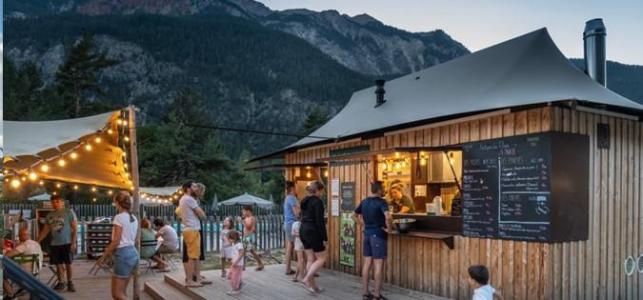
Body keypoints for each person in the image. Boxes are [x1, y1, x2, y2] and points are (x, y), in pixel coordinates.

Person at [353, 181, 393, 300]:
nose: (385, 190)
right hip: (378, 236)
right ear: (379, 190)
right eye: (384, 188)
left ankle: (365, 293)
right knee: (378, 265)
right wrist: (389, 229)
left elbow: (353, 215)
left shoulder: (364, 201)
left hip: (367, 235)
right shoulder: (382, 202)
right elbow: (388, 217)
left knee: (367, 264)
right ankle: (376, 295)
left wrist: (363, 226)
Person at [96, 192, 139, 300]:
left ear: (117, 203)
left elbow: (116, 240)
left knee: (117, 294)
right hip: (133, 253)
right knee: (123, 292)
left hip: (123, 254)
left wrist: (103, 256)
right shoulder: (134, 217)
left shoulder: (119, 217)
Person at [37, 194, 78, 292]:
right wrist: (37, 241)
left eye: (57, 202)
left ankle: (70, 282)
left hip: (67, 242)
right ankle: (61, 282)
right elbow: (45, 230)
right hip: (55, 243)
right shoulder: (49, 215)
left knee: (68, 263)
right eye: (53, 202)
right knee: (58, 264)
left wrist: (73, 243)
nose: (55, 204)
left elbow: (75, 228)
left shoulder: (68, 212)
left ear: (61, 202)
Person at [178, 181, 210, 287]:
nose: (196, 187)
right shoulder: (189, 199)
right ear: (188, 188)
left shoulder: (184, 199)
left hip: (191, 230)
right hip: (192, 230)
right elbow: (202, 214)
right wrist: (202, 214)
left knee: (196, 256)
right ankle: (190, 281)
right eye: (194, 186)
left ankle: (198, 278)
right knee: (192, 257)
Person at [299, 180, 327, 294]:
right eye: (322, 191)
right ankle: (306, 279)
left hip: (303, 230)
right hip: (313, 231)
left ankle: (313, 286)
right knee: (321, 259)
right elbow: (319, 221)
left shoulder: (304, 201)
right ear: (318, 190)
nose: (322, 194)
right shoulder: (318, 202)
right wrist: (325, 238)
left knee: (310, 258)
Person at [283, 181, 299, 275]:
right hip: (292, 224)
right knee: (296, 246)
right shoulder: (292, 198)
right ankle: (299, 269)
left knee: (290, 245)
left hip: (287, 224)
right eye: (296, 187)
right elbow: (296, 213)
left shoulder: (287, 198)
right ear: (292, 188)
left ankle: (288, 268)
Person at [242, 205, 264, 271]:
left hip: (249, 237)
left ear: (248, 211)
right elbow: (251, 228)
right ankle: (243, 266)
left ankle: (260, 264)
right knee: (244, 251)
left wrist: (242, 221)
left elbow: (248, 227)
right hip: (246, 237)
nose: (243, 213)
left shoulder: (251, 218)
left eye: (244, 211)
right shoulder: (247, 218)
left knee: (251, 251)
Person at [226, 230, 245, 295]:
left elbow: (241, 254)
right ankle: (239, 283)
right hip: (234, 263)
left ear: (233, 238)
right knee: (231, 275)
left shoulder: (239, 245)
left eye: (229, 239)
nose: (228, 240)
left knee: (235, 277)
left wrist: (236, 262)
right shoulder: (234, 243)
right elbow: (234, 253)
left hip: (238, 264)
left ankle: (236, 289)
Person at [291, 216, 305, 282]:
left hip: (298, 242)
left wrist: (299, 234)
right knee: (302, 260)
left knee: (300, 260)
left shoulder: (295, 224)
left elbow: (293, 233)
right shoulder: (305, 223)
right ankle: (299, 276)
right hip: (305, 242)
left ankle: (298, 277)